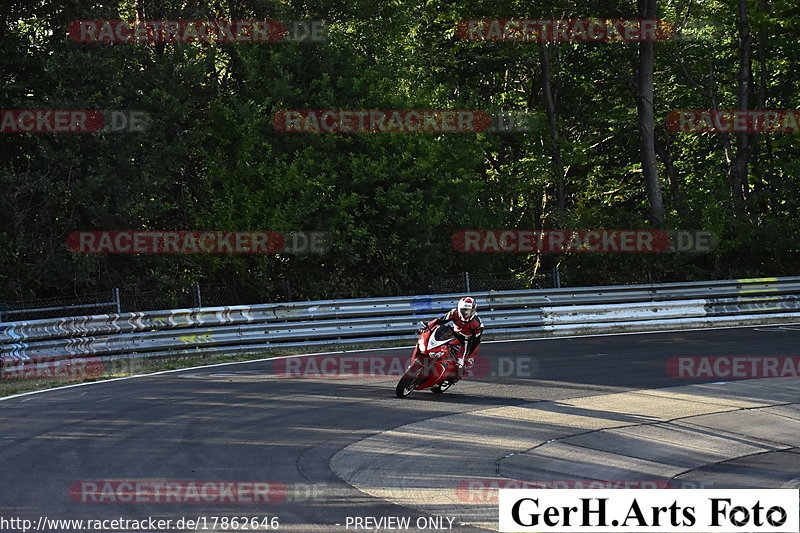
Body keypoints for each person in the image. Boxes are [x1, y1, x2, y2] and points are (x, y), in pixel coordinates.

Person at [423, 296, 484, 379]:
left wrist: (470, 356)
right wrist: (429, 325)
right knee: (434, 336)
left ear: (474, 310)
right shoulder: (453, 313)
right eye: (464, 310)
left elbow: (476, 341)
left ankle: (454, 376)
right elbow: (440, 320)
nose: (466, 313)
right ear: (459, 309)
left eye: (470, 311)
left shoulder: (477, 324)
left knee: (461, 364)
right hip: (453, 333)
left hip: (465, 340)